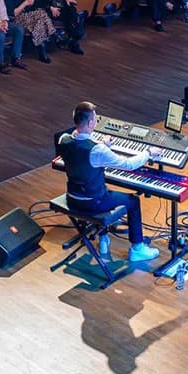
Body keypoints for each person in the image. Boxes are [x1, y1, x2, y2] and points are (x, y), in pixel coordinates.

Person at [57, 101, 161, 264]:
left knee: (101, 188)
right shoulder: (97, 150)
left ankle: (104, 240)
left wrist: (104, 145)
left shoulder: (63, 140)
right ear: (91, 123)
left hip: (73, 198)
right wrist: (148, 152)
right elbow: (128, 164)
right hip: (93, 203)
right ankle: (137, 249)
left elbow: (80, 155)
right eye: (96, 120)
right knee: (132, 201)